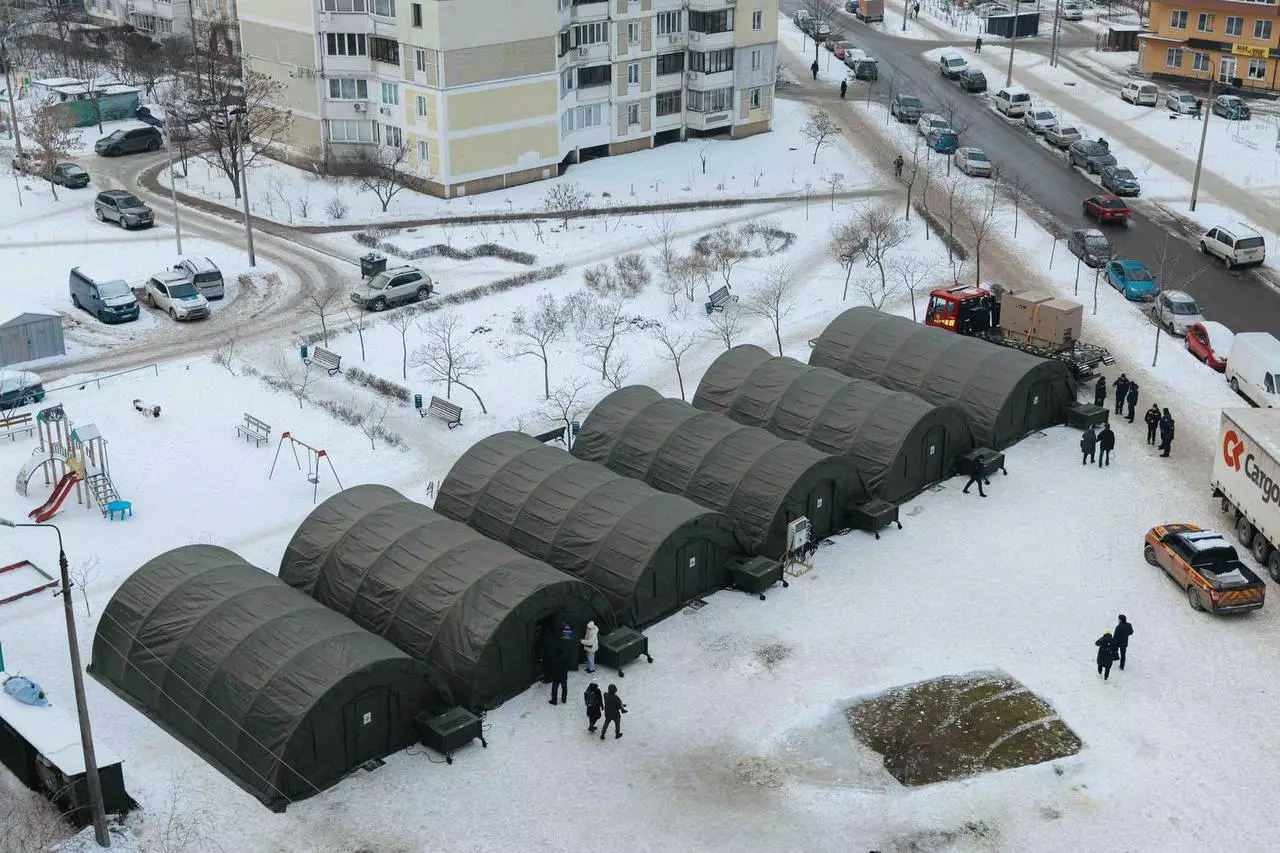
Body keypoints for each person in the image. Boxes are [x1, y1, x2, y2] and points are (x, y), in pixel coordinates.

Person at [543, 632, 568, 706]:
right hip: (563, 676)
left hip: (556, 678)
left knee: (554, 690)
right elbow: (567, 667)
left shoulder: (553, 660)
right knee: (564, 688)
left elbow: (551, 669)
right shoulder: (565, 659)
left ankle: (554, 700)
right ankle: (564, 699)